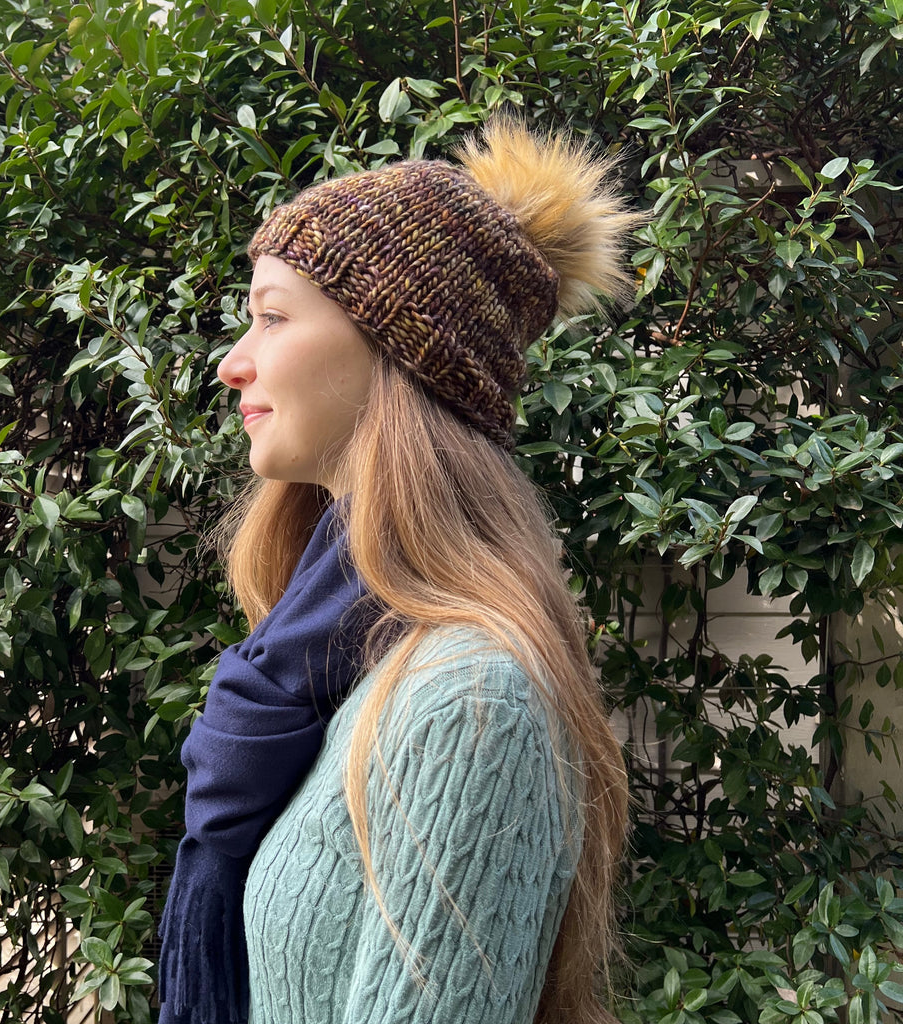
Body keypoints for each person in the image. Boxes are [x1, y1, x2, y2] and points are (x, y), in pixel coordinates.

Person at [158, 117, 638, 1024]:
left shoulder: (471, 703)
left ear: (397, 349)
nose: (233, 364)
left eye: (272, 316)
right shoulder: (329, 667)